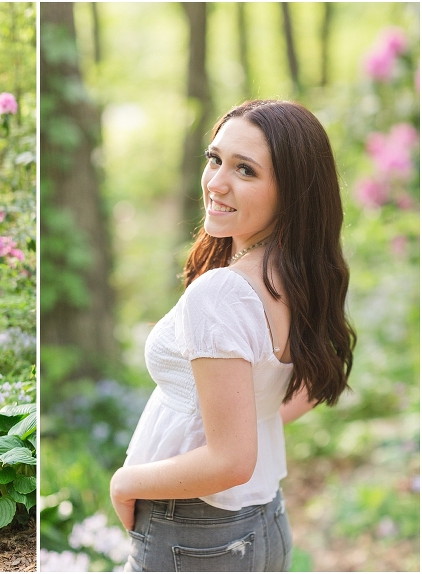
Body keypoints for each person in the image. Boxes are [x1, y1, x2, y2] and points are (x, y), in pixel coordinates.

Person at [110, 100, 356, 572]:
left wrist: (125, 482)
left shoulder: (222, 294)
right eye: (215, 158)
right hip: (263, 525)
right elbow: (308, 383)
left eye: (245, 170)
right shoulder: (301, 276)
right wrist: (252, 415)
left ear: (292, 192)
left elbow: (231, 460)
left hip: (193, 532)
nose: (216, 182)